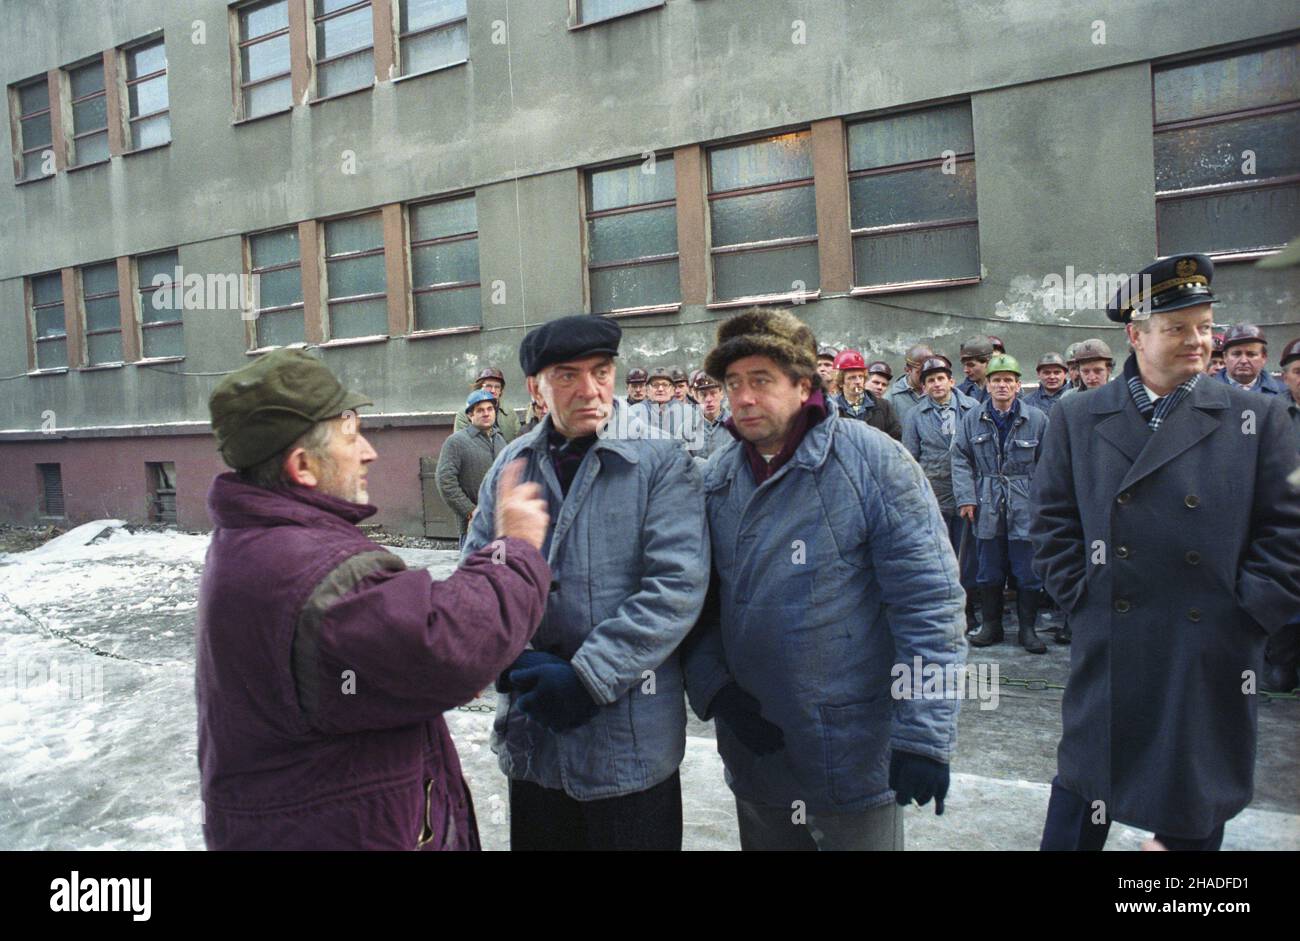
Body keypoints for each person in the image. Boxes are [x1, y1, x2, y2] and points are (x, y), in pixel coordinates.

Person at [196, 348, 551, 850]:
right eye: (350, 436)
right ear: (302, 466)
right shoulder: (312, 569)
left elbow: (380, 657)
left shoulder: (254, 536)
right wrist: (514, 547)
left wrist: (413, 675)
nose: (368, 451)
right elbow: (448, 644)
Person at [1031, 253, 1300, 851]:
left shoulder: (1258, 417)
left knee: (1194, 796)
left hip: (1209, 645)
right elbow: (1050, 523)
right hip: (1114, 635)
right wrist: (1083, 599)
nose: (1198, 341)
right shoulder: (1077, 416)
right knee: (1084, 784)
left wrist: (1247, 615)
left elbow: (1288, 533)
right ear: (1137, 334)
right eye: (1178, 328)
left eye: (1205, 326)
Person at [682, 308, 966, 851]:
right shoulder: (715, 478)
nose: (742, 397)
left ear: (804, 383)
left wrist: (926, 737)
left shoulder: (874, 462)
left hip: (854, 751)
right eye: (732, 383)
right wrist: (717, 691)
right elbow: (694, 607)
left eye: (761, 380)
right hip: (756, 750)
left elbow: (928, 604)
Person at [462, 315, 709, 851]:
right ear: (536, 388)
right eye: (567, 375)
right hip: (535, 736)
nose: (590, 389)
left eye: (601, 371)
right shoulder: (512, 464)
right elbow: (474, 579)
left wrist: (587, 678)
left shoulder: (660, 462)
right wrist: (515, 661)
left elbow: (675, 588)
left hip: (630, 741)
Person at [952, 354, 1051, 653]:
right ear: (988, 385)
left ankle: (1028, 630)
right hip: (986, 500)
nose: (1002, 385)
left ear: (1019, 385)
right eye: (997, 380)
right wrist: (967, 497)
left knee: (1027, 568)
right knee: (989, 567)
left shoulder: (1037, 419)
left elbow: (1048, 463)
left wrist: (1043, 503)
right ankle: (991, 627)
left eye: (1009, 380)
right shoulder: (972, 419)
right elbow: (959, 458)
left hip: (1025, 501)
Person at [903, 356, 981, 631]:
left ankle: (967, 609)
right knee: (937, 554)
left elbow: (979, 452)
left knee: (967, 555)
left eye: (940, 378)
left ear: (951, 380)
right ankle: (940, 611)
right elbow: (911, 457)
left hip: (966, 492)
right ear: (923, 387)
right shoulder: (915, 415)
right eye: (930, 380)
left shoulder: (972, 408)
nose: (936, 384)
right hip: (933, 492)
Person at [436, 389, 508, 546]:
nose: (486, 413)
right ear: (470, 415)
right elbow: (445, 481)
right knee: (474, 569)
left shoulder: (500, 440)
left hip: (499, 528)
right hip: (473, 528)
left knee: (498, 567)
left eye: (490, 409)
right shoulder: (456, 442)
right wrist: (470, 511)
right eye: (480, 410)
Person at [830, 348, 902, 440]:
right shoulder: (831, 407)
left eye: (861, 376)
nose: (858, 381)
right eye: (852, 378)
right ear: (840, 382)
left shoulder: (883, 406)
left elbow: (895, 438)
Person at [630, 366, 694, 448]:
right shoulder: (633, 412)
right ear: (647, 390)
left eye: (665, 385)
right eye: (655, 385)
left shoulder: (689, 413)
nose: (660, 389)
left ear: (672, 389)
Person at [453, 367, 521, 441]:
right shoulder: (464, 414)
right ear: (479, 387)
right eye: (488, 386)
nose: (493, 390)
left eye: (497, 387)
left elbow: (519, 441)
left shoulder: (510, 413)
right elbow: (460, 443)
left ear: (501, 391)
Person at [1216, 323, 1285, 395]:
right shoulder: (1207, 392)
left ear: (1264, 358)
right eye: (1236, 354)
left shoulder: (1284, 394)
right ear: (1225, 357)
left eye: (1251, 354)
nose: (1243, 361)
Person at [885, 343, 935, 424]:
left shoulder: (939, 390)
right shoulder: (891, 398)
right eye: (919, 372)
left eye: (928, 372)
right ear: (908, 370)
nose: (925, 376)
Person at [692, 370, 731, 459]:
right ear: (696, 396)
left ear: (721, 393)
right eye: (703, 394)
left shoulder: (736, 426)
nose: (709, 399)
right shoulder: (686, 429)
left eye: (713, 393)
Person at [957, 336, 994, 404]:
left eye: (971, 365)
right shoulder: (959, 393)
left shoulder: (1005, 388)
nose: (965, 370)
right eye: (964, 365)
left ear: (988, 362)